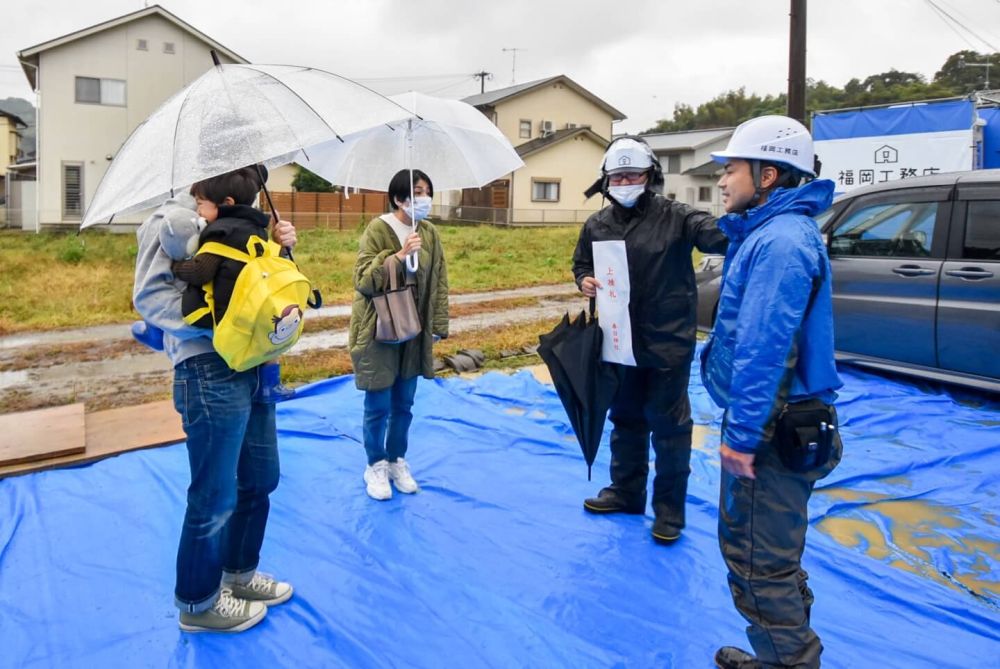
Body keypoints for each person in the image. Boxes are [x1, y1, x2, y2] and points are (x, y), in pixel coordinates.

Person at [701, 116, 844, 669]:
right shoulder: (771, 232)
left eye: (730, 168)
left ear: (767, 175)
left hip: (769, 427)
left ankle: (790, 662)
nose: (721, 180)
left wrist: (741, 437)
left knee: (758, 564)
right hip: (772, 420)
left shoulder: (781, 241)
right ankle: (781, 656)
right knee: (772, 556)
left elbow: (766, 349)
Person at [132, 168, 299, 634]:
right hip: (207, 367)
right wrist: (220, 325)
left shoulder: (245, 219)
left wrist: (283, 249)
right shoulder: (169, 220)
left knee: (261, 478)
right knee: (214, 493)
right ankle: (198, 603)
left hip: (255, 363)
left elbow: (260, 287)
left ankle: (239, 576)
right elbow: (148, 297)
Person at [573, 136, 727, 544]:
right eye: (617, 175)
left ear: (650, 176)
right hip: (619, 340)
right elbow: (581, 264)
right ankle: (626, 492)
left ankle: (669, 512)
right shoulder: (597, 224)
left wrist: (744, 218)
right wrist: (584, 281)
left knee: (670, 429)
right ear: (606, 181)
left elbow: (714, 234)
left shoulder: (676, 217)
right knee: (625, 421)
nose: (625, 182)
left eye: (633, 174)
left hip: (667, 343)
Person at [348, 169, 449, 501]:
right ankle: (375, 464)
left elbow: (440, 281)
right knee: (378, 401)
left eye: (427, 192)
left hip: (414, 330)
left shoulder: (430, 233)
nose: (424, 198)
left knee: (404, 403)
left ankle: (396, 460)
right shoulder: (378, 229)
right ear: (398, 198)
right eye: (417, 192)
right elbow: (363, 279)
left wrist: (437, 326)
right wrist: (399, 255)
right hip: (380, 328)